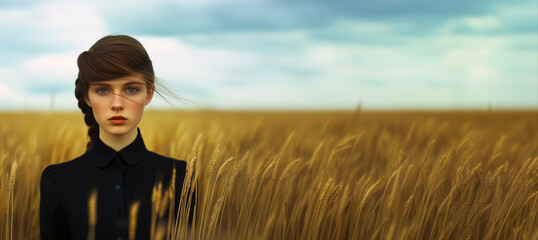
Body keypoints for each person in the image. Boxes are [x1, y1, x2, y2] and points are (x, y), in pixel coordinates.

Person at [40, 35, 194, 240]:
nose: (117, 104)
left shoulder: (181, 177)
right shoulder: (57, 181)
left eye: (131, 89)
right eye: (102, 90)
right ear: (87, 96)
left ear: (148, 94)